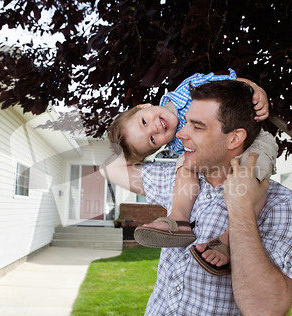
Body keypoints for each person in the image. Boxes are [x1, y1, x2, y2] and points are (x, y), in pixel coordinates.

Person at [100, 79, 292, 316]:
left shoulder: (282, 206)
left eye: (197, 127)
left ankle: (226, 241)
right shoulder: (178, 182)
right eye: (185, 121)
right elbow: (108, 166)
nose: (180, 134)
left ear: (235, 138)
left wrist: (242, 208)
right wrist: (139, 127)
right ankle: (178, 222)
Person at [107, 70, 278, 272]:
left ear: (143, 106)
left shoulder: (188, 87)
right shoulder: (178, 142)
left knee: (252, 176)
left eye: (144, 121)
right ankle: (179, 218)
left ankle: (231, 237)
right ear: (158, 148)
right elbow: (111, 167)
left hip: (254, 137)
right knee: (184, 167)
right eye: (152, 140)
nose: (154, 129)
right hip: (209, 153)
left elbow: (233, 82)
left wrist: (257, 90)